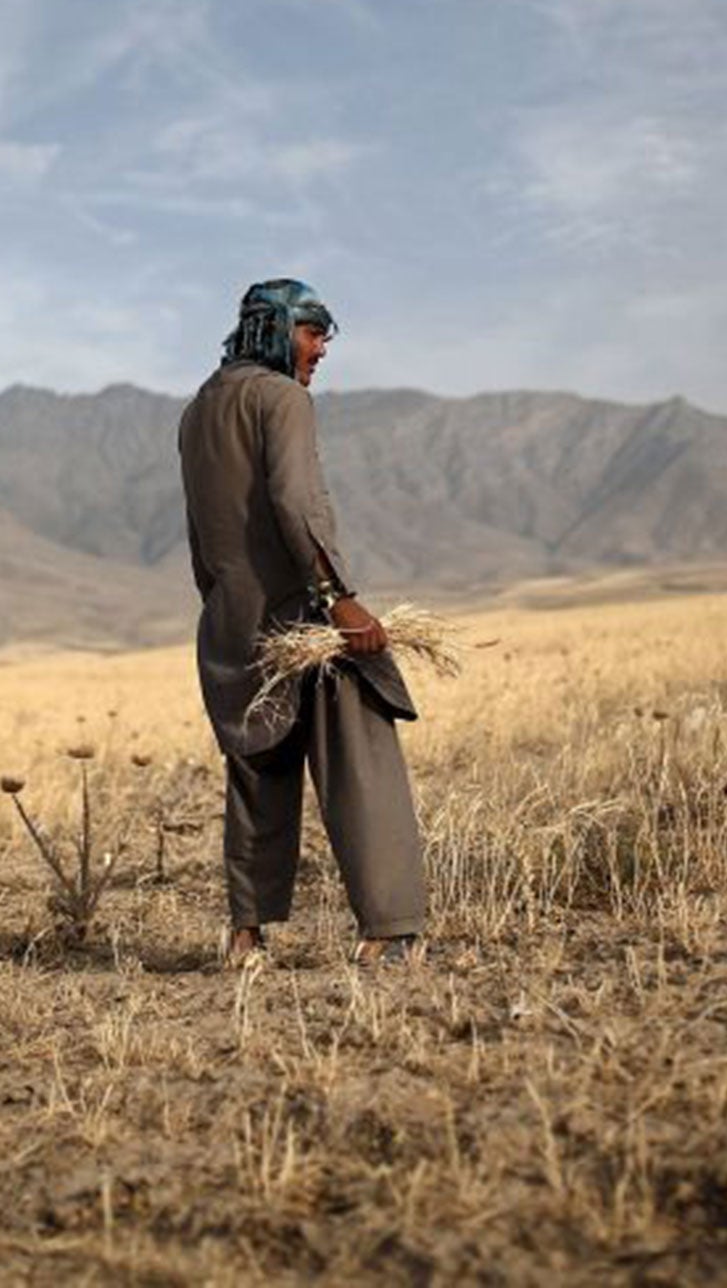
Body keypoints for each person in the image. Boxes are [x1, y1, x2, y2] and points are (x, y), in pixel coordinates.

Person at [179, 281, 428, 966]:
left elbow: (200, 530)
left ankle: (246, 935)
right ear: (276, 328)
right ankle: (389, 931)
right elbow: (295, 502)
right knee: (361, 761)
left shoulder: (199, 409)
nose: (321, 349)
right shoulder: (282, 397)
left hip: (233, 615)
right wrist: (339, 599)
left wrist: (223, 603)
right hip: (304, 617)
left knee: (259, 771)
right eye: (313, 330)